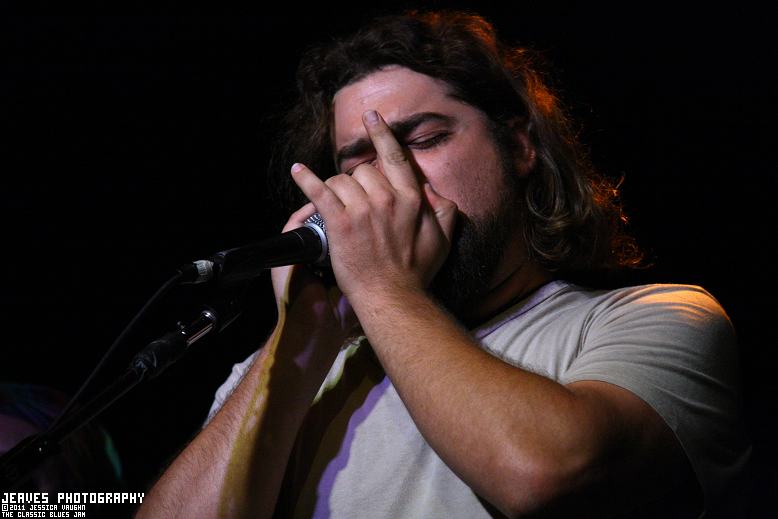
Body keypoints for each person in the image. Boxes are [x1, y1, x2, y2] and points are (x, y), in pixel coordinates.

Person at [136, 11, 750, 518]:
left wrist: (381, 287)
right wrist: (298, 344)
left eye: (424, 140)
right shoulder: (290, 367)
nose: (393, 179)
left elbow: (544, 477)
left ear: (520, 145)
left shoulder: (657, 319)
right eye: (359, 165)